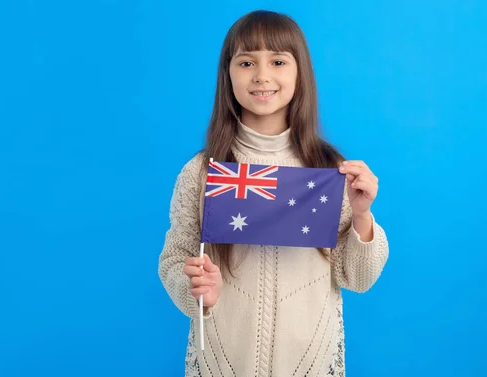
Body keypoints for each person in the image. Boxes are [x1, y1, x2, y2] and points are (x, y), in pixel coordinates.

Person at [158, 9, 389, 377]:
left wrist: (362, 216)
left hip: (311, 361)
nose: (262, 76)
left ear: (300, 72)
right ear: (227, 74)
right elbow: (174, 259)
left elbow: (357, 278)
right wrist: (197, 291)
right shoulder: (202, 172)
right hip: (222, 361)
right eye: (247, 62)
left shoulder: (329, 170)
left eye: (278, 61)